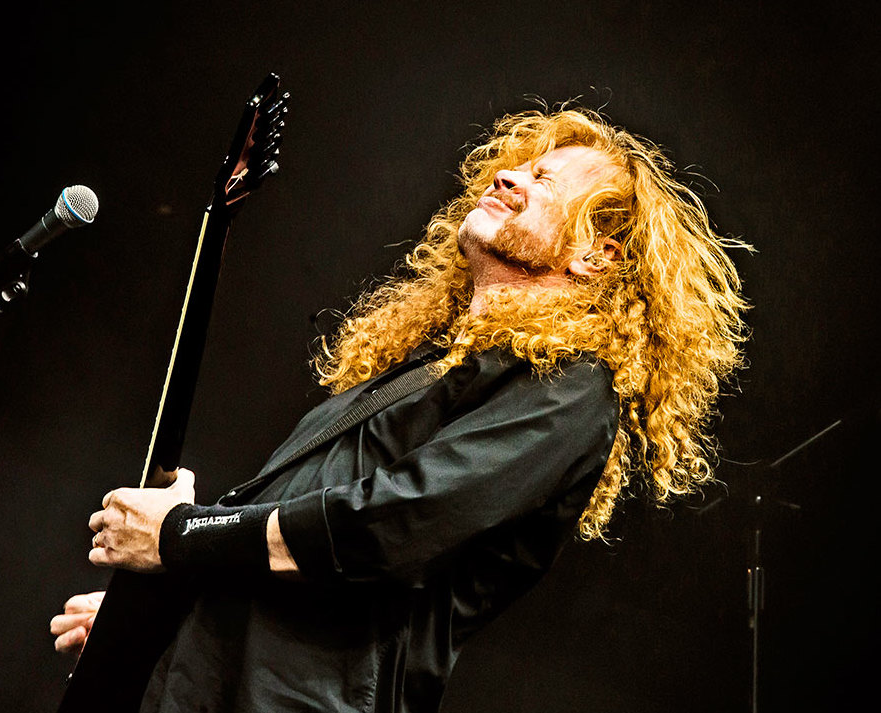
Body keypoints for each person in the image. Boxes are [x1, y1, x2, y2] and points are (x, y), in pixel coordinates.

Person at [49, 108, 748, 712]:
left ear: (597, 257)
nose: (507, 177)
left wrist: (179, 535)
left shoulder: (569, 387)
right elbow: (282, 544)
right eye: (518, 167)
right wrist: (162, 617)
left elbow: (383, 527)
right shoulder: (420, 366)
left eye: (545, 183)